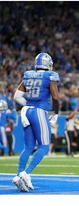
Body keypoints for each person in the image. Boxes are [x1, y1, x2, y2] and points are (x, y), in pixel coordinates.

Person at [12, 52, 60, 192]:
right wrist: (56, 113)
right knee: (44, 146)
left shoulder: (28, 74)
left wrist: (29, 104)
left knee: (28, 147)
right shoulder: (49, 76)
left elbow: (17, 96)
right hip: (38, 111)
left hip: (26, 111)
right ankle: (26, 173)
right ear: (47, 64)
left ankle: (18, 175)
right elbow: (55, 97)